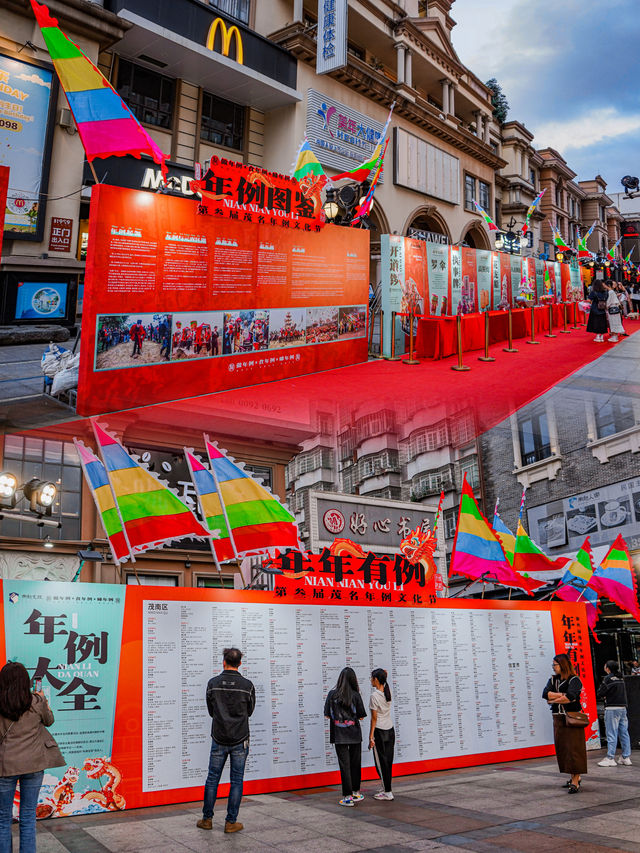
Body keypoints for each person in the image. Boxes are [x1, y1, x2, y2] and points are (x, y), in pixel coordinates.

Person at [0, 661, 65, 853]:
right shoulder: (36, 702)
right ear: (25, 682)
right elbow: (50, 721)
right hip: (34, 766)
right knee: (28, 816)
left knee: (3, 818)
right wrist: (43, 700)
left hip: (5, 767)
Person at [197, 648, 255, 835]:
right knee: (236, 780)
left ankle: (207, 820)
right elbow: (250, 711)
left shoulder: (212, 684)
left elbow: (211, 710)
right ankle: (231, 822)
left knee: (212, 779)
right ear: (240, 663)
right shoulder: (247, 685)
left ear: (224, 662)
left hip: (218, 738)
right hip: (240, 738)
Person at [542, 654, 587, 793]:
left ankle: (576, 779)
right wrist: (561, 695)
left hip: (572, 718)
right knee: (563, 749)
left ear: (563, 665)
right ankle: (572, 776)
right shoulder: (553, 679)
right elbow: (545, 694)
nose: (554, 667)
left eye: (555, 664)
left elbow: (571, 697)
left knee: (575, 749)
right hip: (558, 718)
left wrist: (554, 698)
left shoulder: (574, 679)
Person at [324, 667, 366, 807]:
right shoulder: (356, 695)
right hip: (354, 734)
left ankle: (347, 797)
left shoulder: (332, 694)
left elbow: (327, 715)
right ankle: (356, 792)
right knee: (355, 764)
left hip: (339, 735)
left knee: (344, 765)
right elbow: (361, 716)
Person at [597, 660, 632, 767]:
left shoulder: (608, 679)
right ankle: (626, 757)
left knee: (611, 733)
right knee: (624, 733)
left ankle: (610, 757)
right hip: (622, 708)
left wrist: (604, 695)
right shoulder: (620, 678)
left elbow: (600, 693)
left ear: (608, 668)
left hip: (612, 708)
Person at [368, 669, 395, 801]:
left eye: (372, 678)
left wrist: (371, 736)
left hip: (379, 731)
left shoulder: (374, 696)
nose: (370, 680)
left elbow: (374, 718)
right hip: (390, 730)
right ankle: (386, 788)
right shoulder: (387, 691)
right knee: (388, 762)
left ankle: (388, 792)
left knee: (380, 763)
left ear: (376, 680)